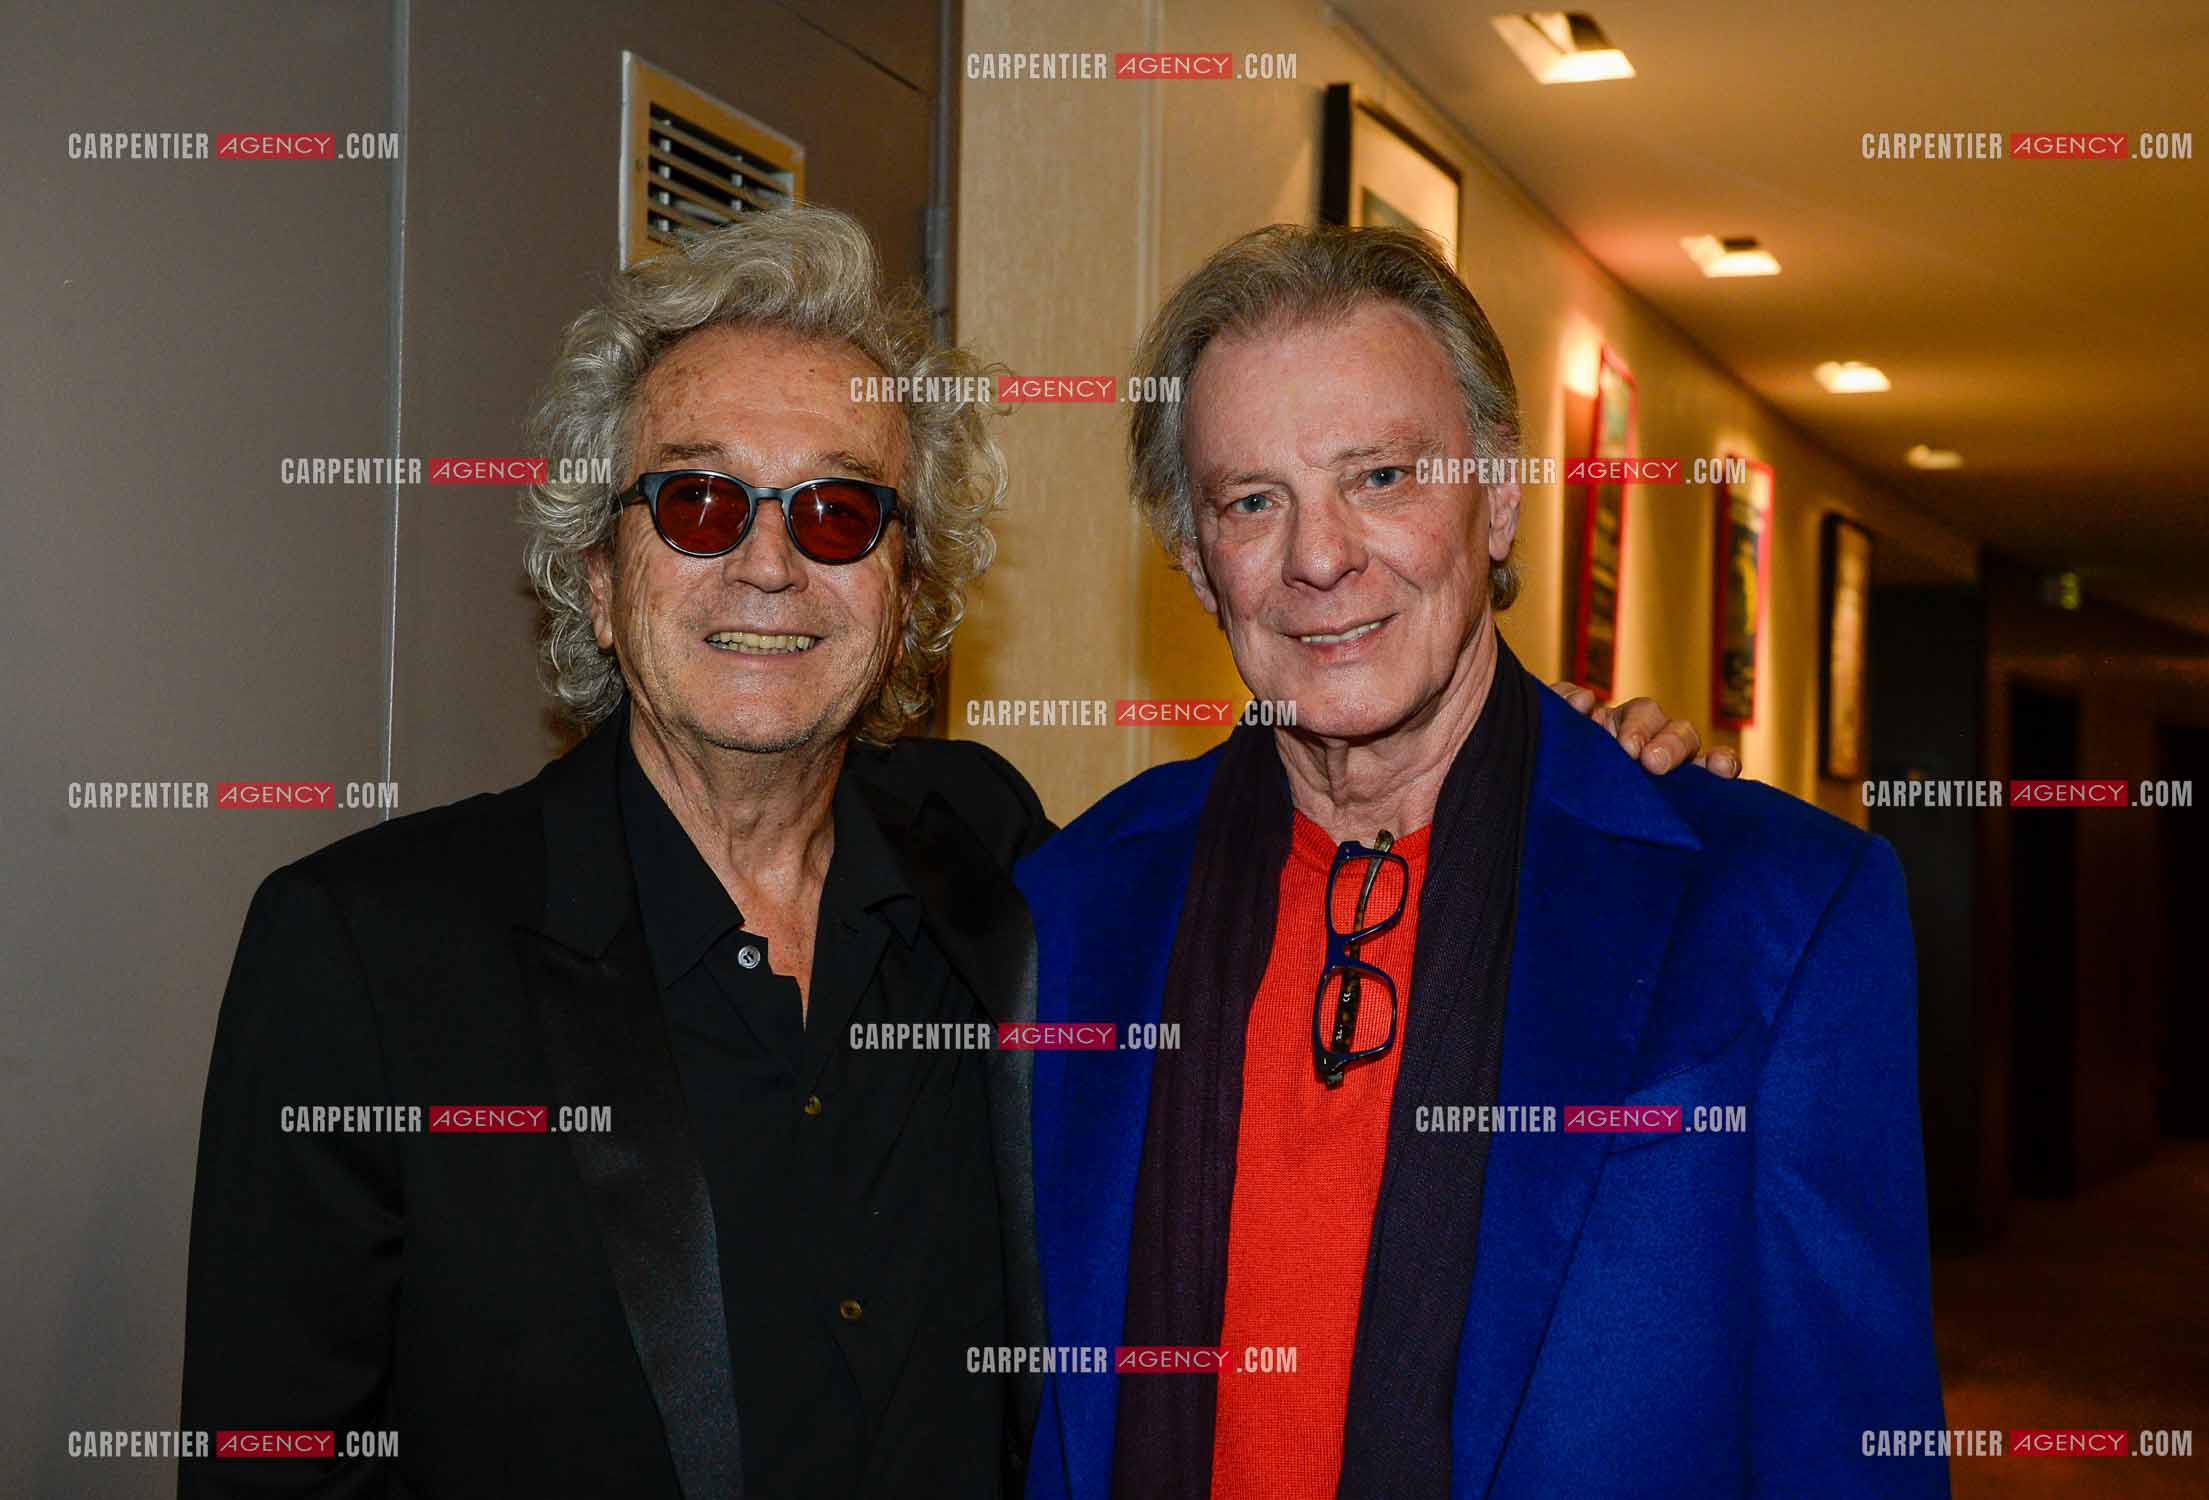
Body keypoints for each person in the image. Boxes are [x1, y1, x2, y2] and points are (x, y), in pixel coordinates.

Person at [179, 205, 1726, 1499]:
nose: (770, 563)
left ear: (909, 597)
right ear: (596, 576)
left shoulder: (1002, 873)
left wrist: (1572, 775)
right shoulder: (370, 955)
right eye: (700, 502)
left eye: (843, 516)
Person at [1016, 223, 1948, 1499]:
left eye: (1383, 475)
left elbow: (1850, 1447)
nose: (1320, 555)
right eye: (1251, 501)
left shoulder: (1775, 911)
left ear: (1497, 497)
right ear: (1194, 562)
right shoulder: (1074, 906)